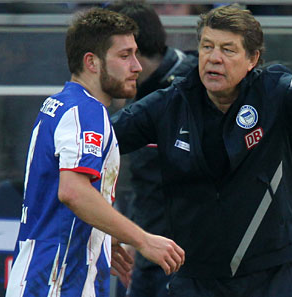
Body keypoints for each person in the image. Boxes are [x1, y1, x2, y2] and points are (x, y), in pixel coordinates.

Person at [111, 4, 292, 296]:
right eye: (207, 46)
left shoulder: (274, 91)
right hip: (197, 276)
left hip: (272, 274)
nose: (214, 58)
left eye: (228, 49)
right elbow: (106, 139)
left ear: (252, 59)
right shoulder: (171, 103)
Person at [5, 8, 185, 297]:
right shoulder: (86, 111)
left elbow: (59, 197)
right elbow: (73, 191)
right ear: (92, 62)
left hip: (44, 276)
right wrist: (143, 240)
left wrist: (102, 232)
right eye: (124, 56)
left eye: (136, 54)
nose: (137, 66)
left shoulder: (61, 104)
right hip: (57, 282)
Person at [105, 1, 197, 296]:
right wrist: (134, 236)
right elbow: (145, 181)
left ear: (133, 52)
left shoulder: (196, 87)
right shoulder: (133, 92)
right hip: (147, 248)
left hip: (188, 257)